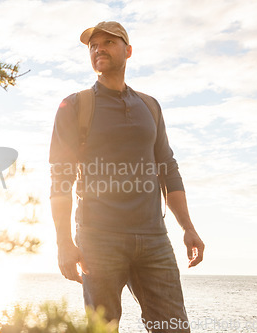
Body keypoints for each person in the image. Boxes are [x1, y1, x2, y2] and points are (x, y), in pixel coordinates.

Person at [49, 21, 205, 332]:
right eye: (93, 45)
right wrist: (64, 241)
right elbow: (60, 178)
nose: (98, 49)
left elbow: (168, 169)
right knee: (102, 328)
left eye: (108, 42)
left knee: (173, 327)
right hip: (98, 239)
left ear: (128, 51)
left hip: (154, 239)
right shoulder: (75, 106)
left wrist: (188, 227)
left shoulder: (150, 106)